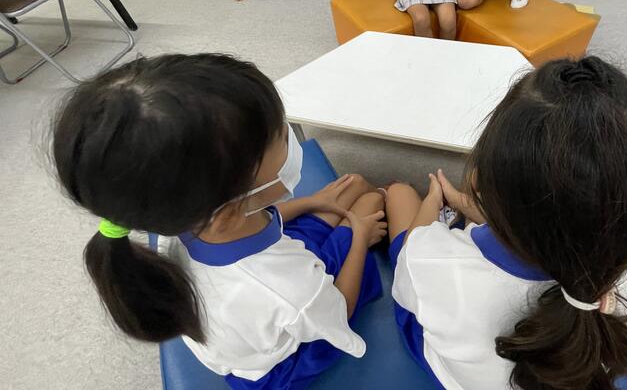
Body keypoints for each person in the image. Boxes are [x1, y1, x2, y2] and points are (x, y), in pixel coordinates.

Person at [52, 54, 388, 389]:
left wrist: (312, 202)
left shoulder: (185, 222)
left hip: (274, 277)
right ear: (228, 212)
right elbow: (341, 308)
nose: (290, 137)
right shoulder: (285, 288)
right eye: (282, 138)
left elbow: (262, 221)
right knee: (370, 201)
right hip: (288, 356)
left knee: (353, 187)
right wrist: (359, 236)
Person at [386, 56, 627, 389]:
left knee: (400, 194)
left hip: (453, 377)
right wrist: (482, 211)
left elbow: (409, 272)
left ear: (480, 182)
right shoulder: (613, 273)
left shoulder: (434, 262)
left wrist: (433, 201)